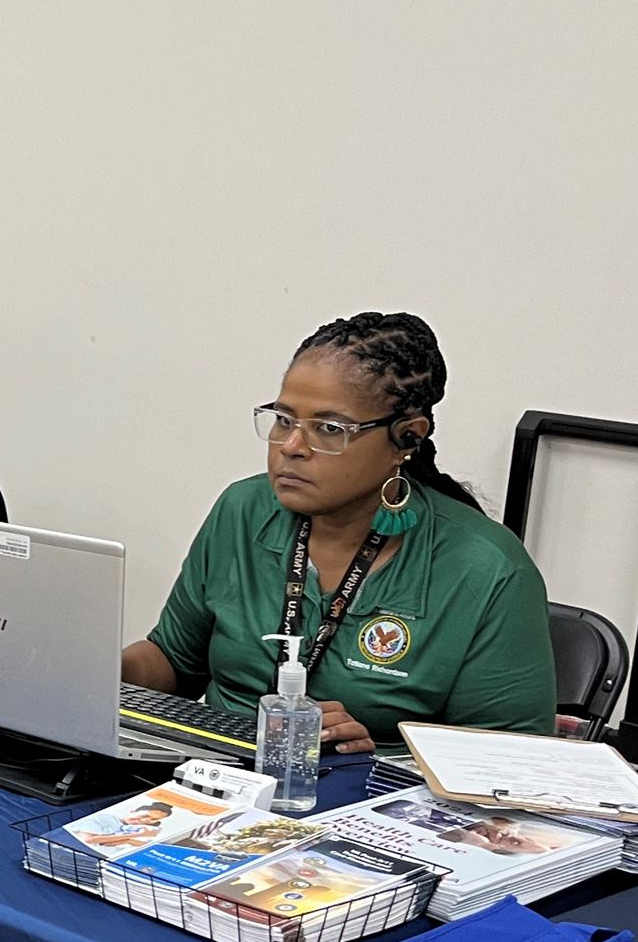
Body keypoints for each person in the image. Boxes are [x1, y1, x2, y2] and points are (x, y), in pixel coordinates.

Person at [122, 310, 556, 751]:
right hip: (208, 778)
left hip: (363, 802)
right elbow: (175, 662)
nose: (291, 447)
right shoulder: (244, 510)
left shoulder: (487, 569)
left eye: (329, 429)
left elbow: (512, 762)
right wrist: (88, 668)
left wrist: (376, 758)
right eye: (284, 420)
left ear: (406, 438)